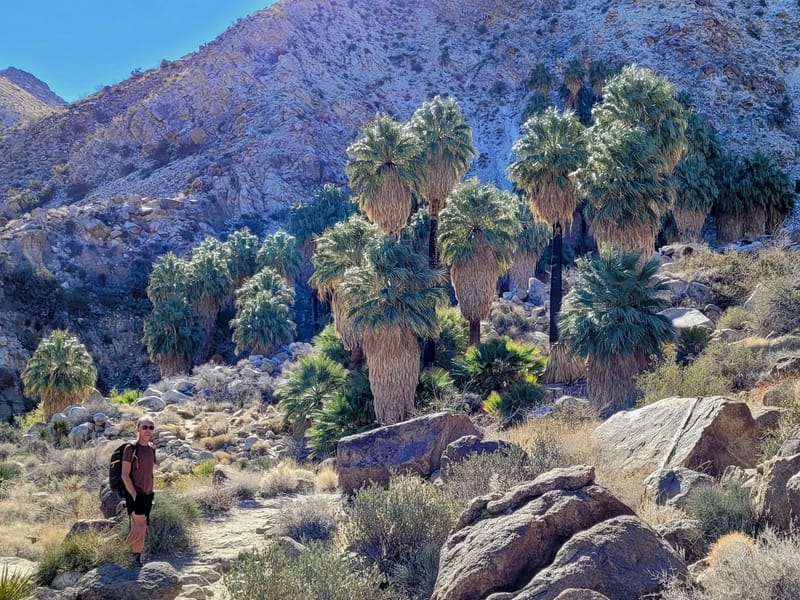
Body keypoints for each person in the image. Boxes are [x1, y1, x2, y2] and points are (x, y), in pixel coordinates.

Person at [121, 415, 156, 567]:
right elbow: (124, 475)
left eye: (151, 427)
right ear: (138, 429)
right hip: (135, 493)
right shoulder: (131, 449)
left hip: (148, 493)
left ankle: (128, 556)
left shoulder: (152, 448)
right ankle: (130, 557)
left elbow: (149, 471)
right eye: (144, 427)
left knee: (139, 527)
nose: (148, 430)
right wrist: (135, 495)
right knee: (141, 526)